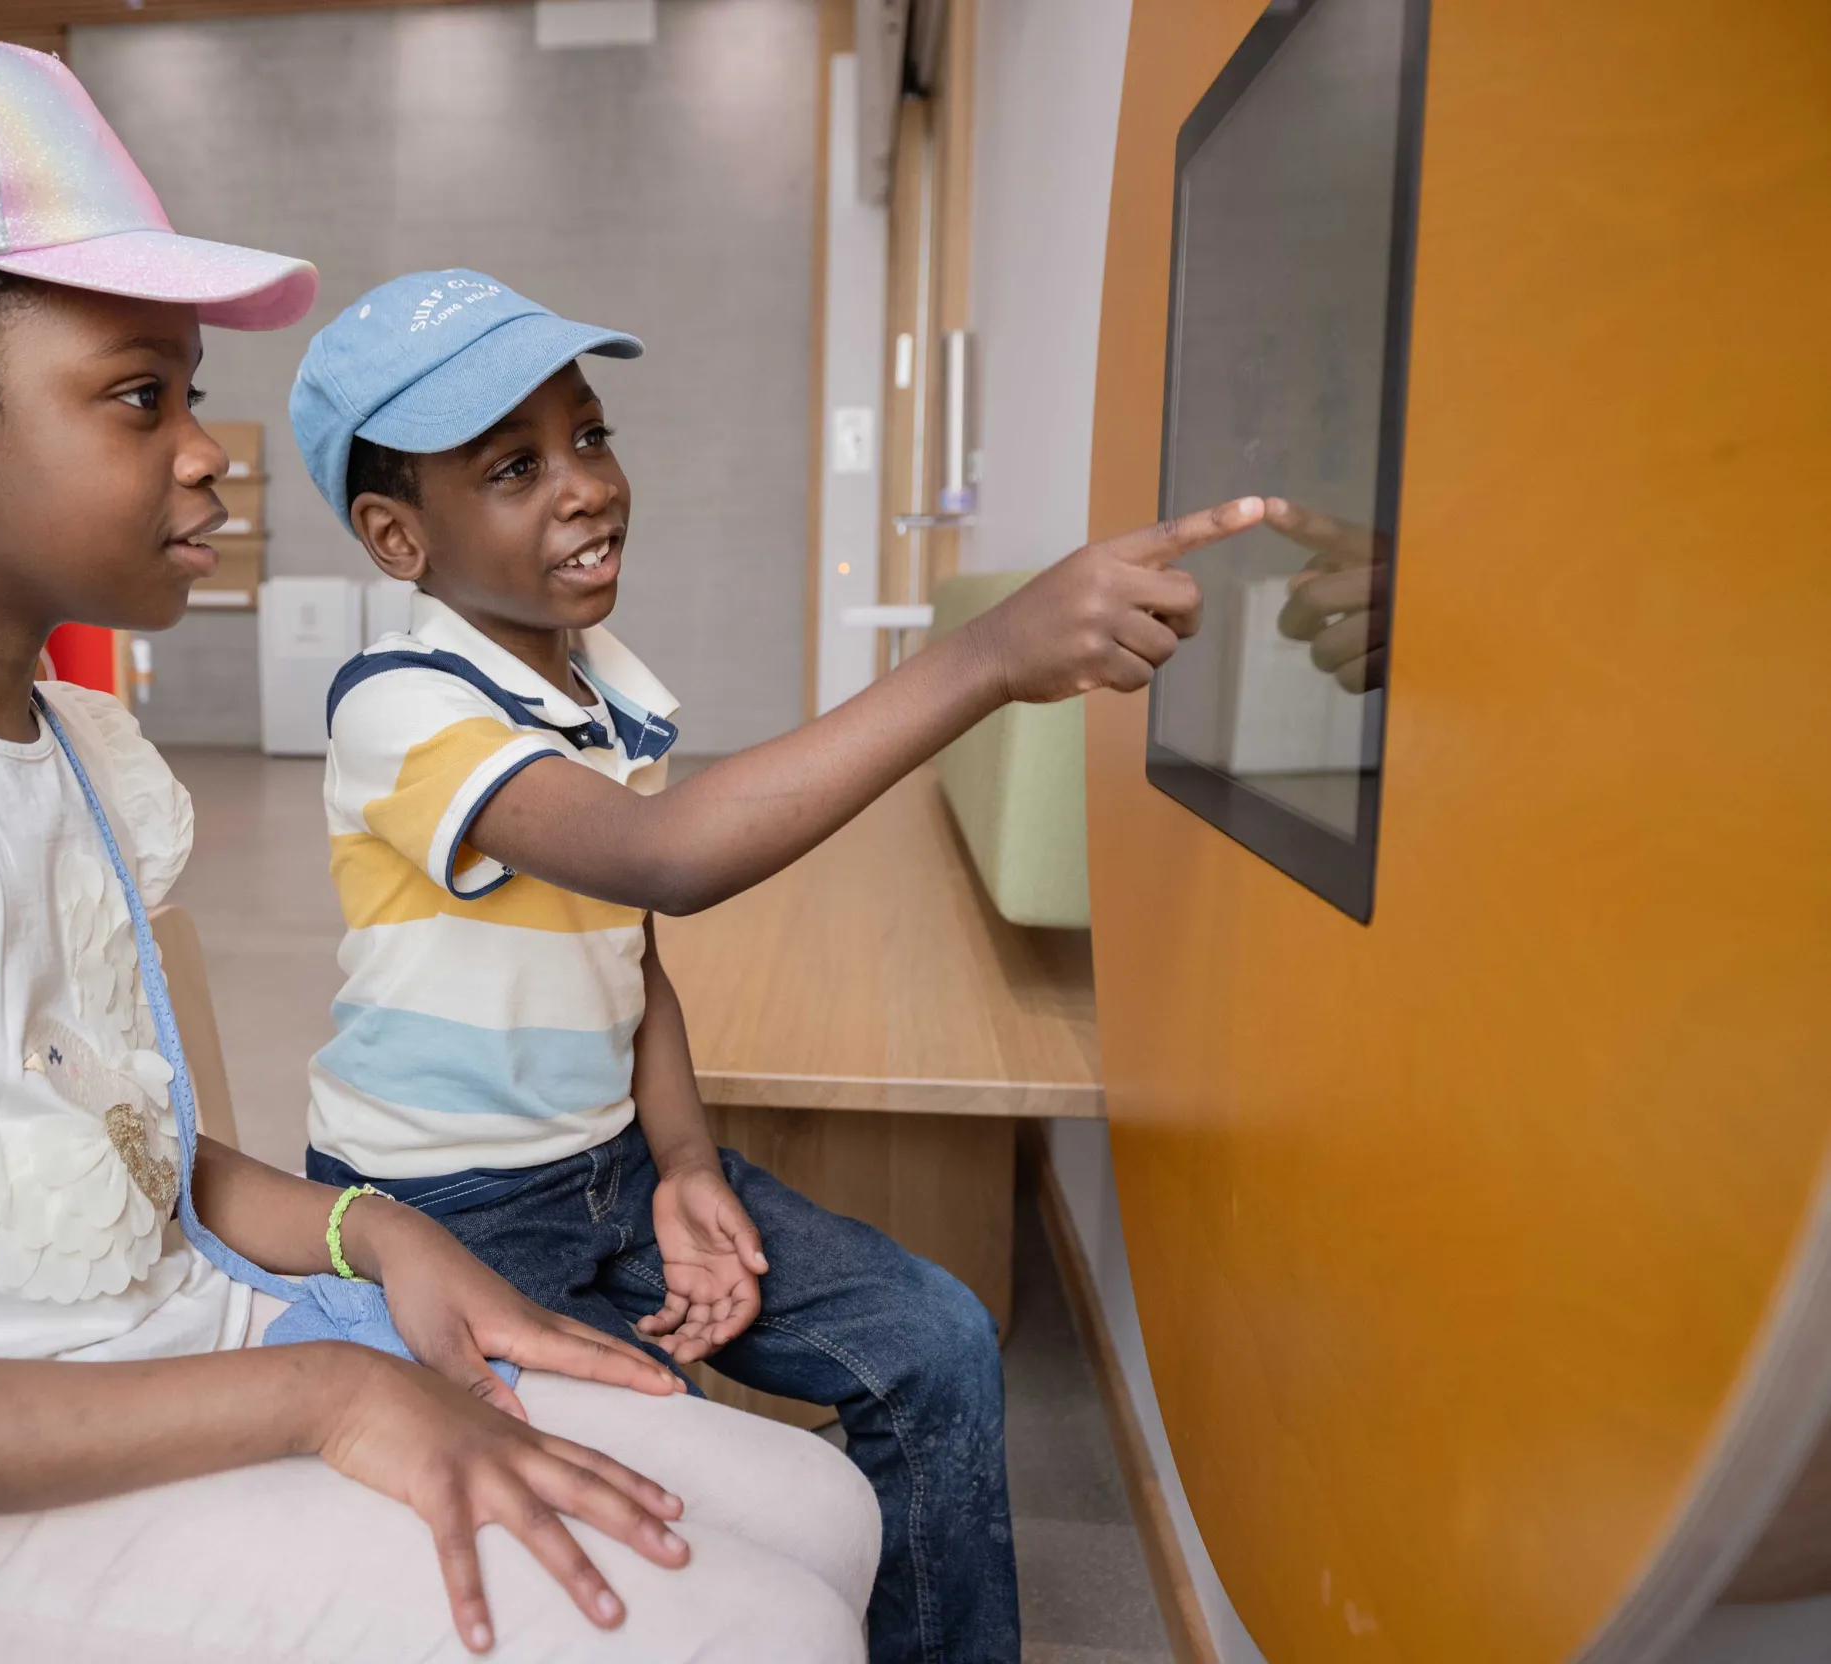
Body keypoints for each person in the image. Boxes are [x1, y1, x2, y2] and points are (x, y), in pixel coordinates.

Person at [0, 38, 881, 1664]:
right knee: (757, 1634)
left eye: (189, 391)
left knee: (825, 1514)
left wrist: (387, 1238)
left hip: (190, 1353)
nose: (207, 446)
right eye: (138, 397)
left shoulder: (77, 749)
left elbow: (126, 1156)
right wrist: (327, 1393)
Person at [289, 270, 1264, 1664]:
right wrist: (989, 655)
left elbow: (629, 958)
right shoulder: (399, 706)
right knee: (690, 1486)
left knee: (936, 1338)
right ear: (398, 536)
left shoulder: (595, 680)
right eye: (514, 468)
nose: (584, 485)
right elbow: (666, 860)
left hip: (614, 1163)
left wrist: (685, 1164)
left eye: (590, 434)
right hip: (450, 1212)